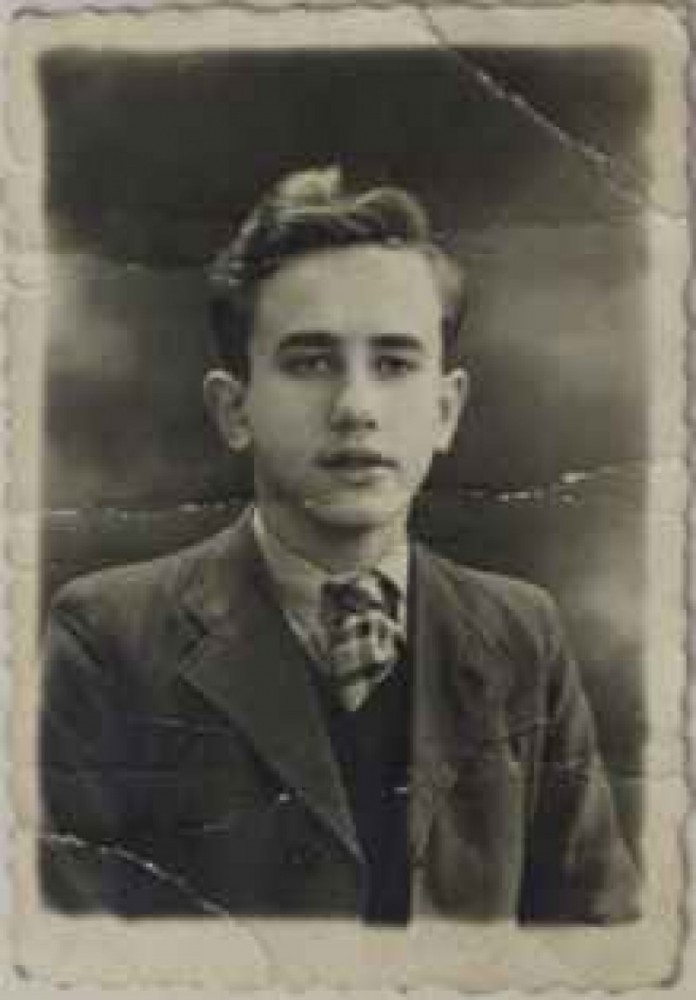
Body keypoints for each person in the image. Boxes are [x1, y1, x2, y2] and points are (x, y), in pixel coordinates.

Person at [40, 166, 640, 923]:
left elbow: (598, 943)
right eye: (311, 362)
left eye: (394, 364)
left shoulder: (524, 635)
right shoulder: (108, 640)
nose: (357, 407)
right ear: (234, 409)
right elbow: (68, 952)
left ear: (446, 410)